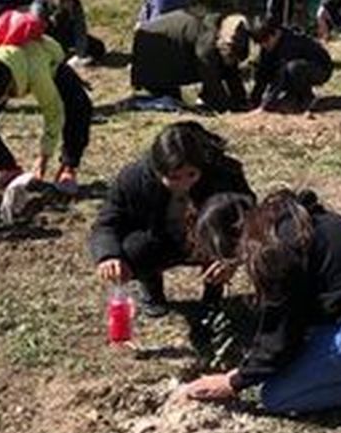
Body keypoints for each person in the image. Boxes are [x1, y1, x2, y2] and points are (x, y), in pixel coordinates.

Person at [182, 189, 341, 430]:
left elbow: (279, 340)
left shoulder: (273, 255)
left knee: (278, 395)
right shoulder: (284, 216)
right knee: (299, 356)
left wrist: (233, 381)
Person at [88, 123, 253, 317]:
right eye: (174, 177)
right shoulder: (133, 179)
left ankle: (213, 295)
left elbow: (250, 218)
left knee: (220, 230)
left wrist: (232, 258)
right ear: (158, 171)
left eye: (191, 174)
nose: (184, 183)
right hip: (158, 239)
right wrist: (108, 256)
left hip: (205, 241)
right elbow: (107, 222)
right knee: (134, 249)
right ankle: (152, 289)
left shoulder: (224, 174)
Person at [0, 9, 91, 193]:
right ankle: (8, 169)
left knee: (79, 107)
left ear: (5, 91)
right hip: (8, 72)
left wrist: (43, 158)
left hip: (49, 62)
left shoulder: (37, 71)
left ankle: (68, 168)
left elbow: (54, 112)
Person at [130, 11, 250, 113]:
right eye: (233, 58)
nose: (233, 63)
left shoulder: (220, 33)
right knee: (171, 102)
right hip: (153, 55)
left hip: (164, 48)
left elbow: (231, 72)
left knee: (220, 67)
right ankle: (143, 100)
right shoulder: (207, 45)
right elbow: (211, 79)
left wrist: (241, 100)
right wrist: (228, 108)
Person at [247, 17, 334, 113]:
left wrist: (265, 106)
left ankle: (306, 98)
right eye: (260, 43)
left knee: (293, 68)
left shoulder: (290, 43)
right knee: (266, 67)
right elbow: (262, 72)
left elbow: (281, 75)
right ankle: (293, 96)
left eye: (266, 41)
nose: (264, 45)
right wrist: (254, 100)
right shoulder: (268, 44)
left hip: (321, 68)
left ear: (276, 33)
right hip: (301, 67)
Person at [40, 0, 106, 63]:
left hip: (67, 34)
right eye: (62, 0)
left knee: (98, 47)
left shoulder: (75, 5)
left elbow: (80, 30)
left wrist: (80, 54)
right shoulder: (41, 2)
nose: (64, 3)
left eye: (67, 0)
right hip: (47, 36)